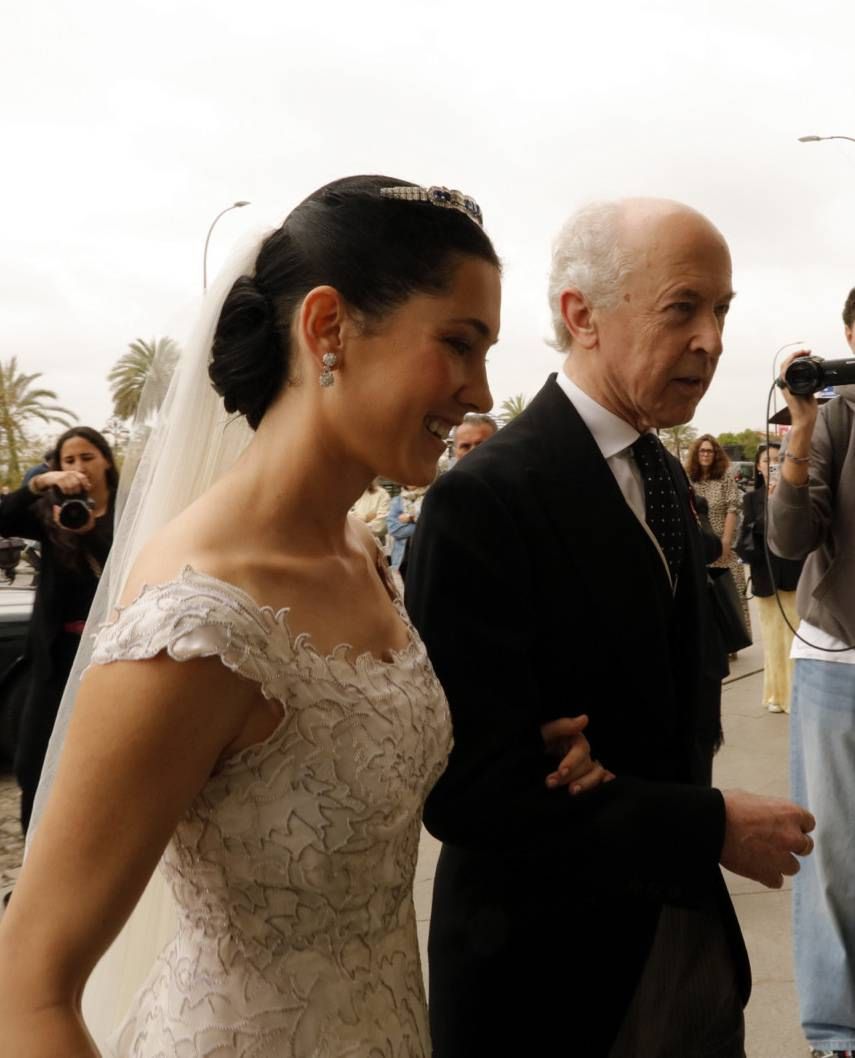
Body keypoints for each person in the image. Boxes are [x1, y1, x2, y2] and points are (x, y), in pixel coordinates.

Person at [0, 176, 602, 1058]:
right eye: (458, 344)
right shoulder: (197, 625)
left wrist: (523, 754)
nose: (479, 391)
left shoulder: (360, 558)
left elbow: (325, 784)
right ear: (326, 329)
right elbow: (27, 989)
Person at [405, 197, 816, 1058]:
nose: (710, 338)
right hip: (549, 984)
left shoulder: (660, 472)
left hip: (684, 954)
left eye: (722, 311)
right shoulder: (484, 500)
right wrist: (707, 825)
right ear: (580, 316)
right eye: (682, 307)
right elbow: (470, 789)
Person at [769, 313, 855, 1058]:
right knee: (833, 854)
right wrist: (798, 434)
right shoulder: (833, 418)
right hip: (839, 660)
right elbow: (788, 540)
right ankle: (835, 1032)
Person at [0, 426, 117, 832]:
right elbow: (3, 517)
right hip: (56, 658)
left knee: (107, 764)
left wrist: (93, 537)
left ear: (106, 461)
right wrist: (40, 482)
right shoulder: (52, 514)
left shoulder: (132, 511)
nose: (78, 467)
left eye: (87, 457)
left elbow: (130, 569)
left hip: (110, 659)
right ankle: (35, 863)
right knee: (33, 765)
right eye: (68, 460)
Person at [736, 444, 803, 713]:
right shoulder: (752, 499)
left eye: (778, 459)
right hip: (766, 575)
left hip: (794, 573)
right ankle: (776, 693)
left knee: (794, 636)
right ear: (759, 467)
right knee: (773, 640)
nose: (772, 464)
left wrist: (782, 500)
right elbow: (752, 533)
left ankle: (796, 694)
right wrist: (770, 505)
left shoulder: (799, 494)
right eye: (767, 460)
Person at [686, 433, 752, 652]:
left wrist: (725, 541)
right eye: (702, 451)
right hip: (698, 546)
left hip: (723, 545)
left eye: (710, 451)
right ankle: (711, 642)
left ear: (716, 455)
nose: (706, 454)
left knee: (730, 592)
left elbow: (734, 508)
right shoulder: (688, 479)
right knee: (705, 597)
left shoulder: (725, 477)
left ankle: (732, 639)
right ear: (696, 454)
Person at [350, 477, 390, 542]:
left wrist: (357, 526)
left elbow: (382, 525)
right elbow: (345, 520)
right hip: (353, 542)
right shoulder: (351, 493)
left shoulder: (382, 494)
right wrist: (365, 518)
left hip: (374, 542)